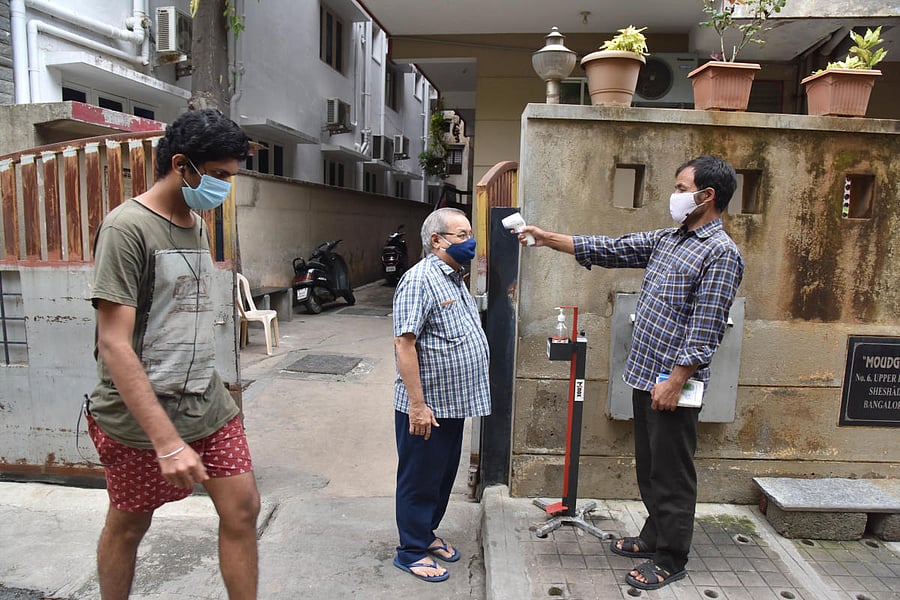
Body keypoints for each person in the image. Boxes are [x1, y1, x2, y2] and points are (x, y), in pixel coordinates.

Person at [518, 155, 744, 591]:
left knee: (672, 474)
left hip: (673, 382)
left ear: (707, 196)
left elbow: (707, 326)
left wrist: (676, 380)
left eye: (682, 188)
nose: (674, 196)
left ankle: (671, 557)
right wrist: (547, 239)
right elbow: (612, 247)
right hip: (645, 375)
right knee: (649, 466)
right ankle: (652, 536)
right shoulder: (670, 239)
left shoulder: (721, 253)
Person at [86, 109, 260, 599]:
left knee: (243, 508)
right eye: (221, 175)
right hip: (142, 418)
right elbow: (113, 343)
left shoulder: (196, 223)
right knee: (128, 527)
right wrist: (166, 442)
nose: (226, 186)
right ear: (182, 165)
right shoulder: (127, 228)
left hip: (206, 403)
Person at [391, 207, 491, 582]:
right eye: (461, 234)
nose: (471, 241)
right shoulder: (420, 280)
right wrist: (417, 406)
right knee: (419, 478)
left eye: (469, 233)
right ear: (437, 241)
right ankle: (411, 550)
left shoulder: (453, 278)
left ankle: (425, 533)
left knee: (442, 475)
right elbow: (404, 344)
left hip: (452, 404)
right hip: (426, 408)